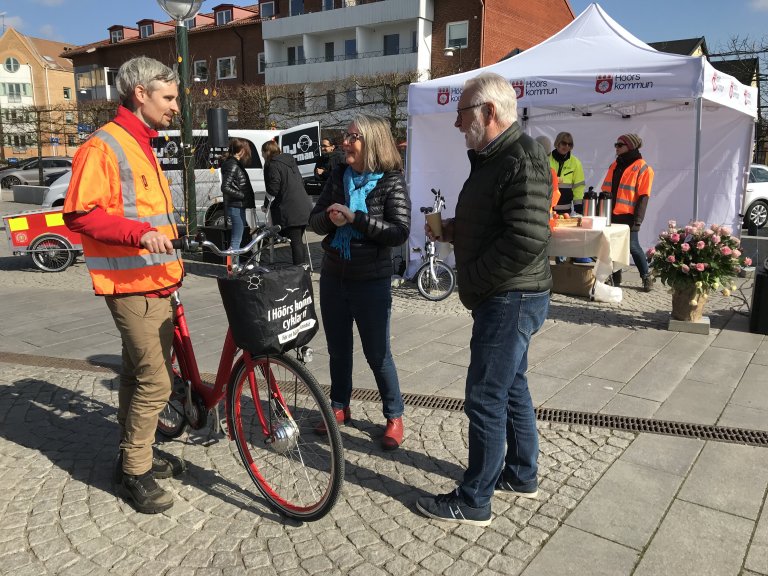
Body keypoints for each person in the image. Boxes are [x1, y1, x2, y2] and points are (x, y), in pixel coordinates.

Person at [416, 73, 552, 526]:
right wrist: (453, 229)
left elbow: (527, 238)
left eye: (462, 114)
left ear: (489, 113)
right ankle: (521, 473)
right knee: (512, 386)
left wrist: (472, 276)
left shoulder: (522, 156)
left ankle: (474, 500)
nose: (457, 125)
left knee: (484, 395)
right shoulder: (494, 157)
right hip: (509, 294)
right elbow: (499, 222)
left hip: (509, 296)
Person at [63, 56, 185, 514]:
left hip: (156, 279)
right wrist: (140, 235)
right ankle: (135, 472)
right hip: (130, 285)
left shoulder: (141, 143)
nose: (175, 107)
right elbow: (80, 214)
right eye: (168, 98)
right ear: (140, 93)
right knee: (156, 383)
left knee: (140, 376)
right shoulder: (104, 145)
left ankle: (140, 455)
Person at [309, 114, 410, 450]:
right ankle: (339, 407)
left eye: (353, 137)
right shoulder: (338, 176)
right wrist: (331, 219)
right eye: (345, 137)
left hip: (371, 280)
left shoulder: (391, 181)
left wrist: (358, 219)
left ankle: (394, 416)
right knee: (338, 350)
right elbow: (315, 221)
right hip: (334, 276)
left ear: (372, 141)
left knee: (378, 353)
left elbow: (399, 232)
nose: (345, 143)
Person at [601, 133, 654, 292]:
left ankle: (646, 276)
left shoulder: (643, 168)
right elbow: (605, 190)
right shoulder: (614, 165)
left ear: (629, 147)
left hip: (630, 216)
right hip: (612, 214)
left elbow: (643, 196)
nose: (616, 148)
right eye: (616, 145)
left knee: (632, 246)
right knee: (613, 245)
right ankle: (616, 276)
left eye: (620, 145)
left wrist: (637, 220)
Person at [261, 140, 313, 265]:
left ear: (266, 152)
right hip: (303, 205)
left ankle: (299, 271)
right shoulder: (290, 161)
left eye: (262, 152)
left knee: (295, 242)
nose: (262, 155)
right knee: (298, 241)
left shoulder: (273, 164)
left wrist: (266, 204)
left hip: (291, 207)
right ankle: (302, 268)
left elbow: (273, 187)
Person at [220, 137, 255, 267]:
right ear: (240, 150)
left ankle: (237, 265)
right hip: (236, 206)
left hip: (238, 205)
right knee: (236, 240)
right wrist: (242, 195)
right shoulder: (232, 165)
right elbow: (225, 187)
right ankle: (233, 268)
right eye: (246, 150)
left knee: (240, 237)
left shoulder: (234, 164)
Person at [550, 131, 585, 215]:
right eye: (564, 143)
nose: (566, 146)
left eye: (569, 144)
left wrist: (578, 206)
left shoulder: (576, 163)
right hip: (548, 208)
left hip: (565, 210)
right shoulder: (546, 159)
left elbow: (578, 187)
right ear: (557, 143)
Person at [534, 135, 561, 214]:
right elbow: (555, 196)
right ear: (549, 154)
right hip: (545, 214)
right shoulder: (551, 172)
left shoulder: (523, 169)